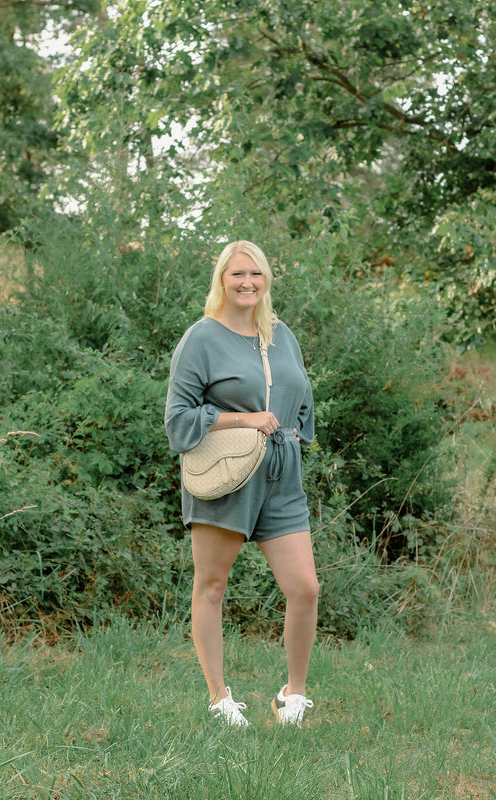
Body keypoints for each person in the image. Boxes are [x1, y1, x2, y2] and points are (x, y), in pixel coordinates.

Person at [164, 240, 319, 728]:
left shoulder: (282, 334)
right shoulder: (201, 339)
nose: (248, 282)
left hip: (281, 476)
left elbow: (302, 397)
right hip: (226, 475)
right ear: (222, 281)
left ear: (266, 279)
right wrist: (245, 420)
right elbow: (177, 420)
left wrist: (296, 438)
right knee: (211, 585)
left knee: (306, 589)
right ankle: (218, 699)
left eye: (256, 273)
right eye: (237, 275)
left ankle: (292, 696)